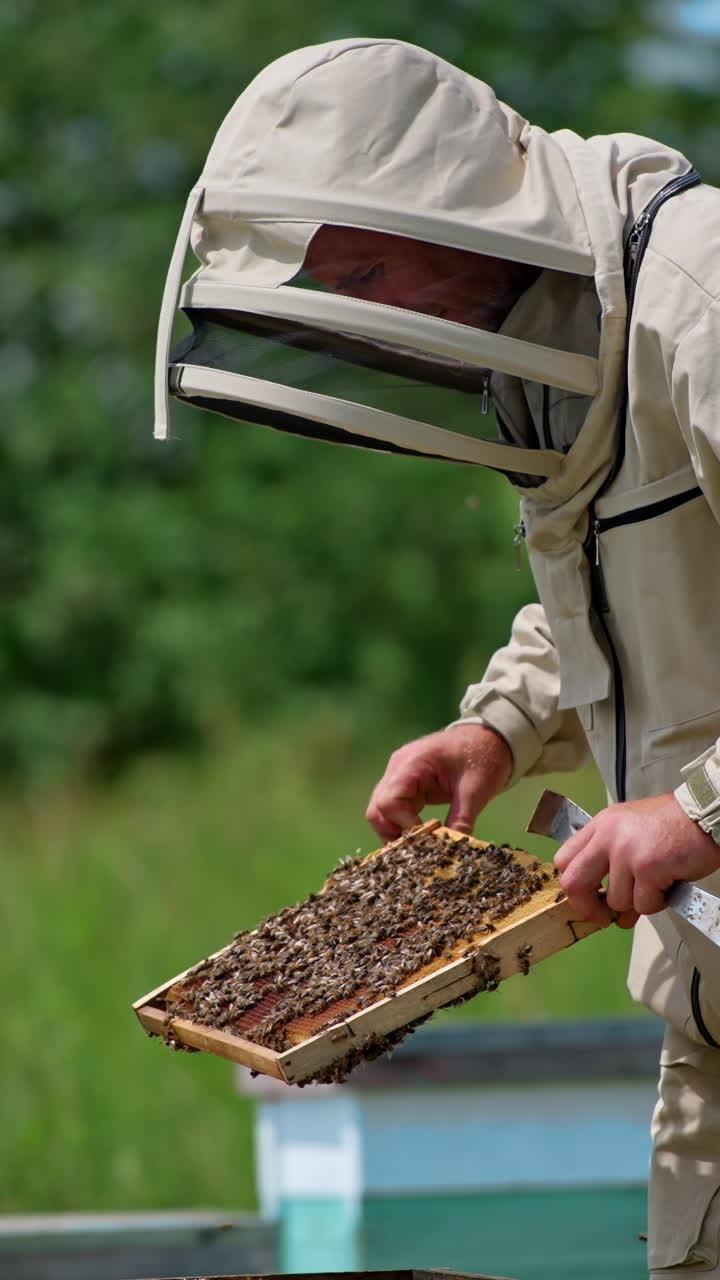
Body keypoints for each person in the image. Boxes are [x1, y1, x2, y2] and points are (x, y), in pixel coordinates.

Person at [155, 37, 720, 1274]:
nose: (364, 317)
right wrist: (502, 726)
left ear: (449, 202)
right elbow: (616, 594)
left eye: (364, 269)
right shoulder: (556, 345)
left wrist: (699, 810)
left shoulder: (703, 299)